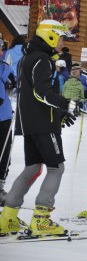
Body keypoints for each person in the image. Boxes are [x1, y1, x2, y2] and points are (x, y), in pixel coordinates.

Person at [0, 20, 77, 236]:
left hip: (30, 123)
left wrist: (59, 113)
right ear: (50, 36)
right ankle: (41, 220)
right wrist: (66, 104)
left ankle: (7, 218)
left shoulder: (28, 57)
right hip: (43, 125)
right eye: (60, 37)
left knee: (33, 168)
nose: (62, 41)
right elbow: (40, 92)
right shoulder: (42, 59)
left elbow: (33, 94)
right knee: (56, 168)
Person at [0, 51, 16, 205]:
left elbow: (14, 82)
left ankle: (0, 187)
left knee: (5, 153)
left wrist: (12, 82)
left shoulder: (5, 68)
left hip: (4, 116)